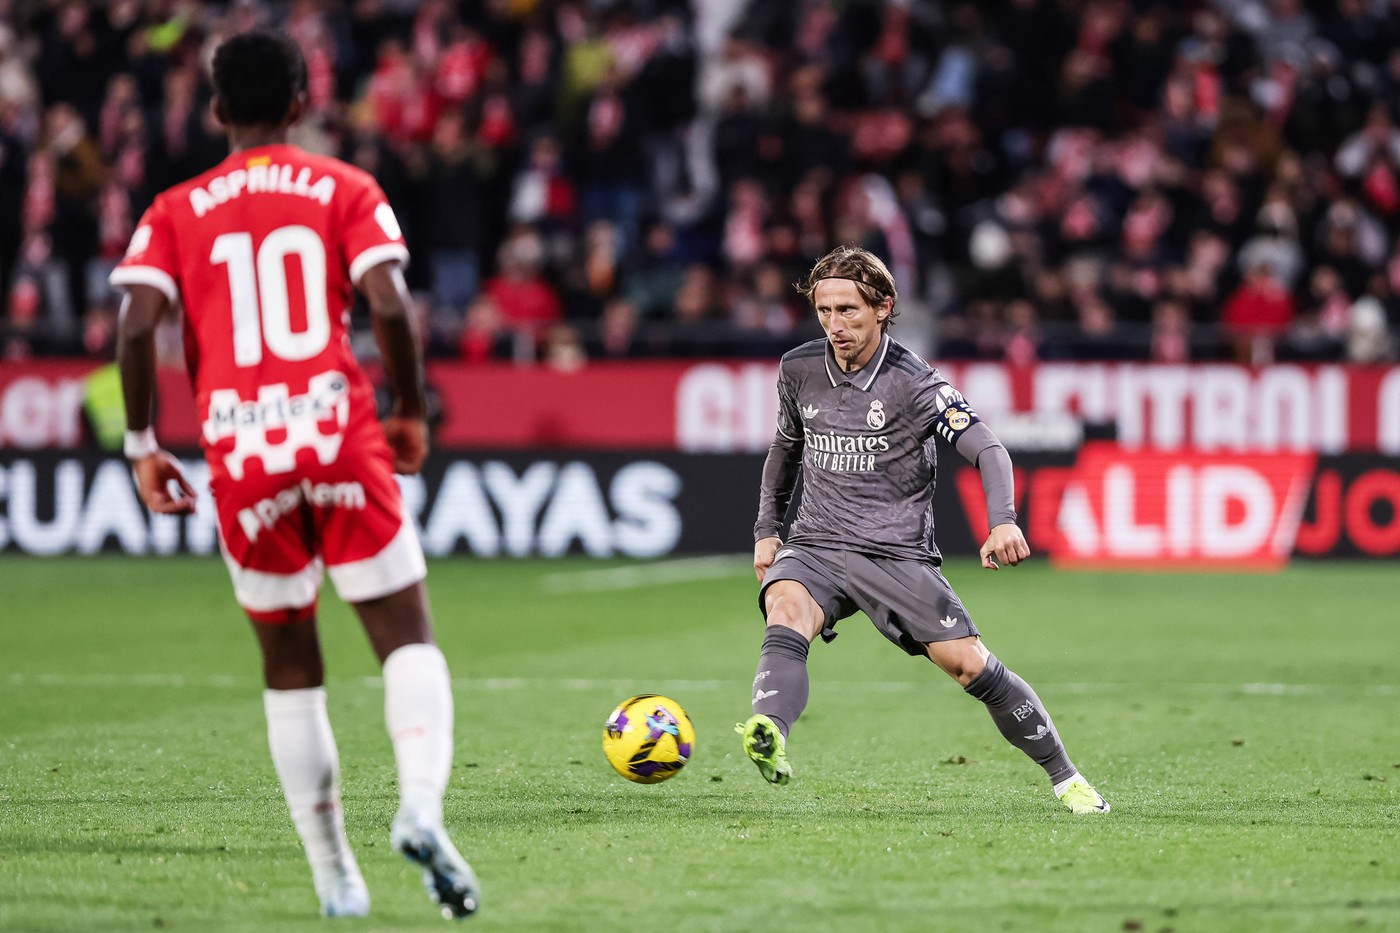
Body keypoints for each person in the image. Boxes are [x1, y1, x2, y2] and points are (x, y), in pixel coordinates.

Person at [110, 31, 480, 919]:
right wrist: (411, 410)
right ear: (303, 103)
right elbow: (388, 300)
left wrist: (140, 444)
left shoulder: (175, 206)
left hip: (241, 450)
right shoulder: (344, 186)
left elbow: (133, 325)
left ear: (212, 110)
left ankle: (334, 877)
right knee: (406, 636)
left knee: (290, 664)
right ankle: (422, 806)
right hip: (335, 429)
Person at [738, 245, 1110, 815]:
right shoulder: (798, 369)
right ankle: (769, 731)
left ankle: (1066, 778)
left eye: (849, 311)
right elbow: (785, 448)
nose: (835, 325)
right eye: (825, 312)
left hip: (893, 553)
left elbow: (988, 447)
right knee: (785, 609)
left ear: (883, 306)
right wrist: (768, 528)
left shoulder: (915, 383)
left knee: (970, 666)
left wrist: (1003, 520)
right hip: (815, 541)